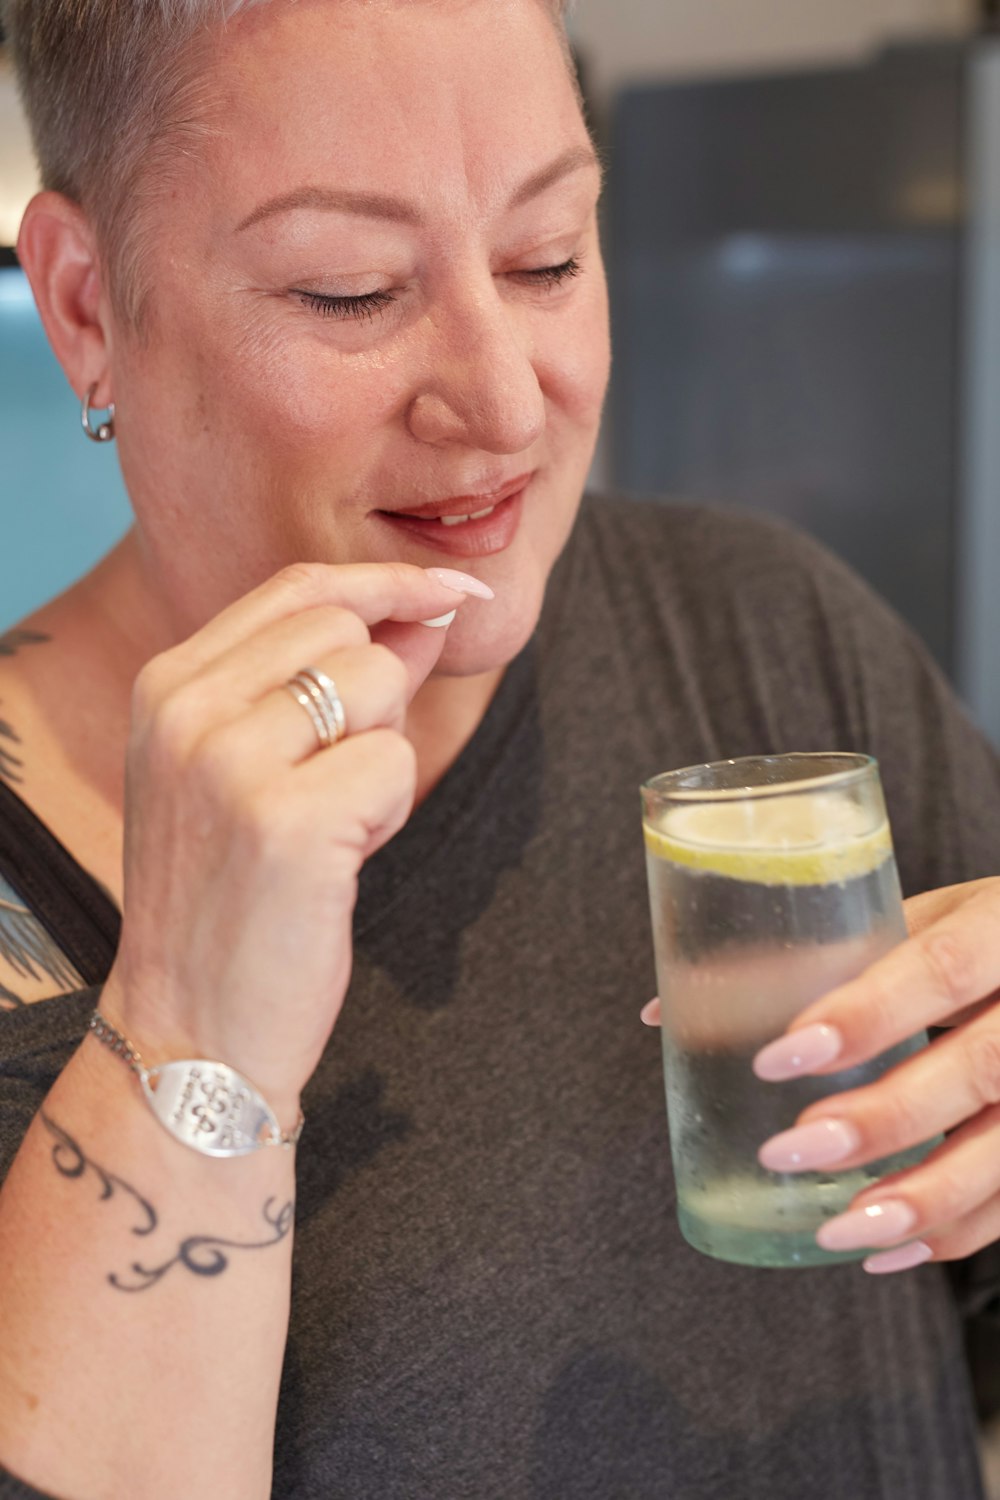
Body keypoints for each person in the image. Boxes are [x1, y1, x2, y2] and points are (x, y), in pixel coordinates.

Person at [0, 1, 999, 1496]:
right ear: (84, 307)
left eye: (549, 257)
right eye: (349, 291)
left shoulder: (763, 627)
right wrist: (189, 1019)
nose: (507, 397)